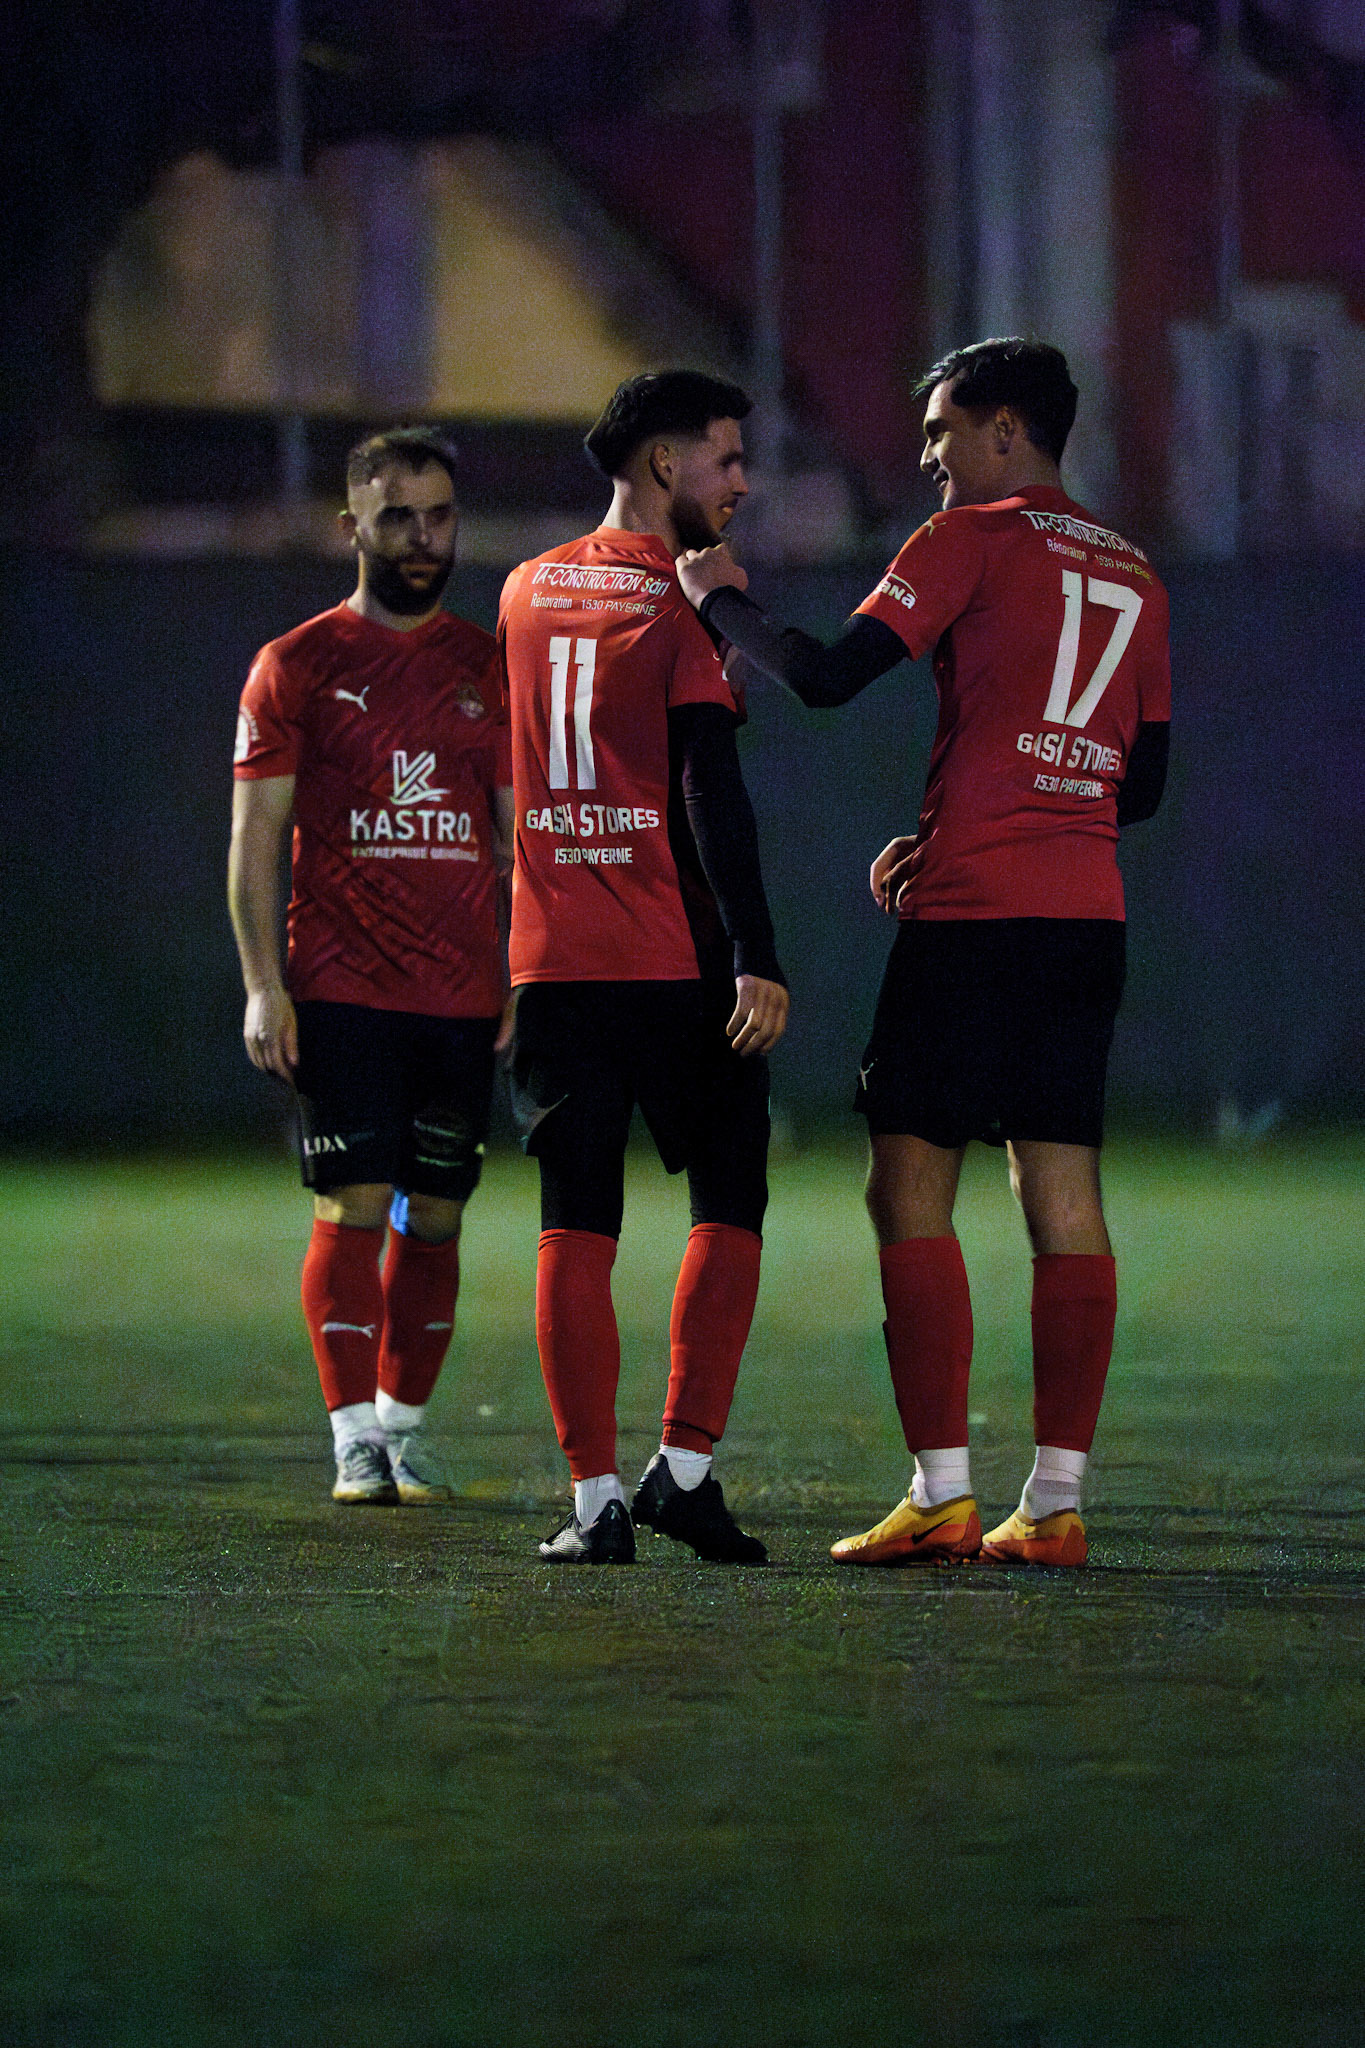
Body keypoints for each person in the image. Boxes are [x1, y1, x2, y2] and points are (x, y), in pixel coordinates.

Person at [677, 338, 1171, 1570]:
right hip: (1084, 916)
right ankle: (1055, 1501)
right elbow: (1141, 782)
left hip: (976, 922)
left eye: (943, 427)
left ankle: (943, 1491)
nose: (927, 453)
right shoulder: (1136, 570)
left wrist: (719, 597)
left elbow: (834, 678)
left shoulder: (967, 540)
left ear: (1007, 430)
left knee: (906, 1183)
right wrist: (993, 817)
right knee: (1064, 1199)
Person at [498, 370, 789, 1566]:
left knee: (577, 1222)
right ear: (665, 465)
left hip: (552, 959)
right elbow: (710, 795)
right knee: (728, 1195)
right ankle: (686, 1467)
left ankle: (596, 1501)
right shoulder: (682, 609)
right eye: (725, 457)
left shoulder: (521, 588)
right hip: (671, 958)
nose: (741, 481)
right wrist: (757, 957)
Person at [229, 427, 514, 1506]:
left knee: (435, 1214)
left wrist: (519, 971)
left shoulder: (489, 668)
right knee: (354, 1203)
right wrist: (265, 982)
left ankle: (402, 1430)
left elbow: (517, 837)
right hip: (341, 985)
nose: (423, 536)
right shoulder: (295, 666)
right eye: (397, 515)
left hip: (459, 996)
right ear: (352, 525)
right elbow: (256, 839)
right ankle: (352, 1436)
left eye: (439, 515)